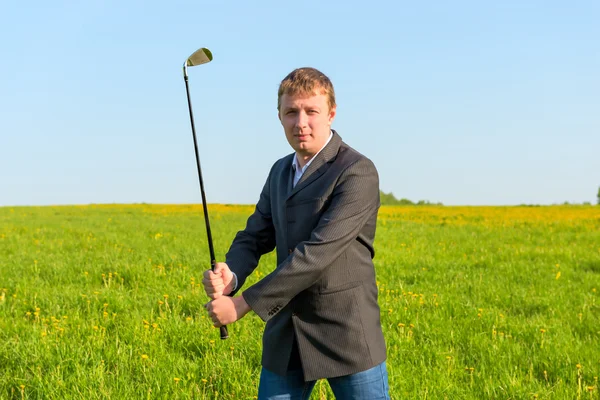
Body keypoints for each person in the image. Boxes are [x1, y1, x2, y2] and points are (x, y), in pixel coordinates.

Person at [203, 67, 389, 399]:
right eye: (291, 112)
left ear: (331, 113)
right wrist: (231, 275)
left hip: (344, 334)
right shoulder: (279, 171)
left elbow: (316, 256)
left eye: (311, 111)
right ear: (279, 116)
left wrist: (242, 304)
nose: (300, 122)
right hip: (285, 336)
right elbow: (255, 235)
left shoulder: (357, 171)